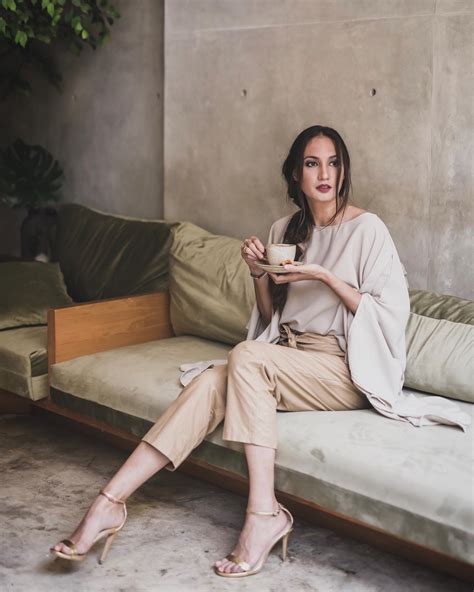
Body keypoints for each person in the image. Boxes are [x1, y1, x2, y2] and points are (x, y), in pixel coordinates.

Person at [51, 125, 409, 577]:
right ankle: (109, 502)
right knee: (210, 383)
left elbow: (389, 315)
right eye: (312, 163)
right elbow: (271, 315)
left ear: (343, 170)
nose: (324, 174)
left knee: (247, 356)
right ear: (295, 175)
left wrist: (324, 276)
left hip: (342, 366)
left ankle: (263, 514)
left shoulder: (367, 229)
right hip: (287, 356)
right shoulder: (284, 230)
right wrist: (257, 273)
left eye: (333, 163)